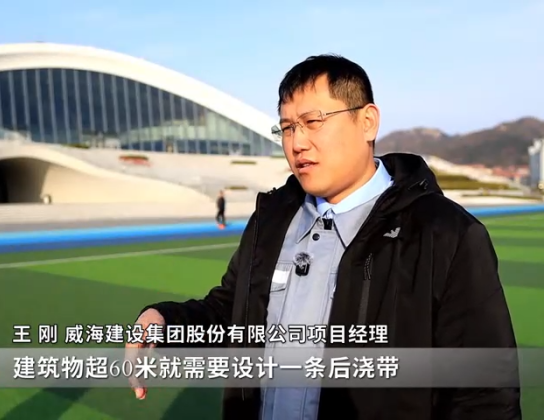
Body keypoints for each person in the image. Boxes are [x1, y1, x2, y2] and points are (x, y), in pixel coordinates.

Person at [127, 54, 521, 419]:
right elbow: (232, 313)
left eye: (313, 121)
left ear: (367, 122)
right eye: (287, 128)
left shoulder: (445, 234)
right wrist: (165, 321)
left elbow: (484, 395)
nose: (297, 143)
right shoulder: (271, 219)